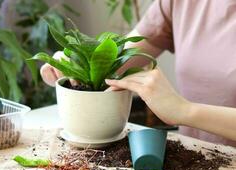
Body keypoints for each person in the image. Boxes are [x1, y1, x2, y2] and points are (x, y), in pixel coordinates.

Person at [40, 0, 236, 146]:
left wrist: (184, 111)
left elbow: (181, 110)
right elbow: (116, 57)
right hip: (201, 160)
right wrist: (74, 64)